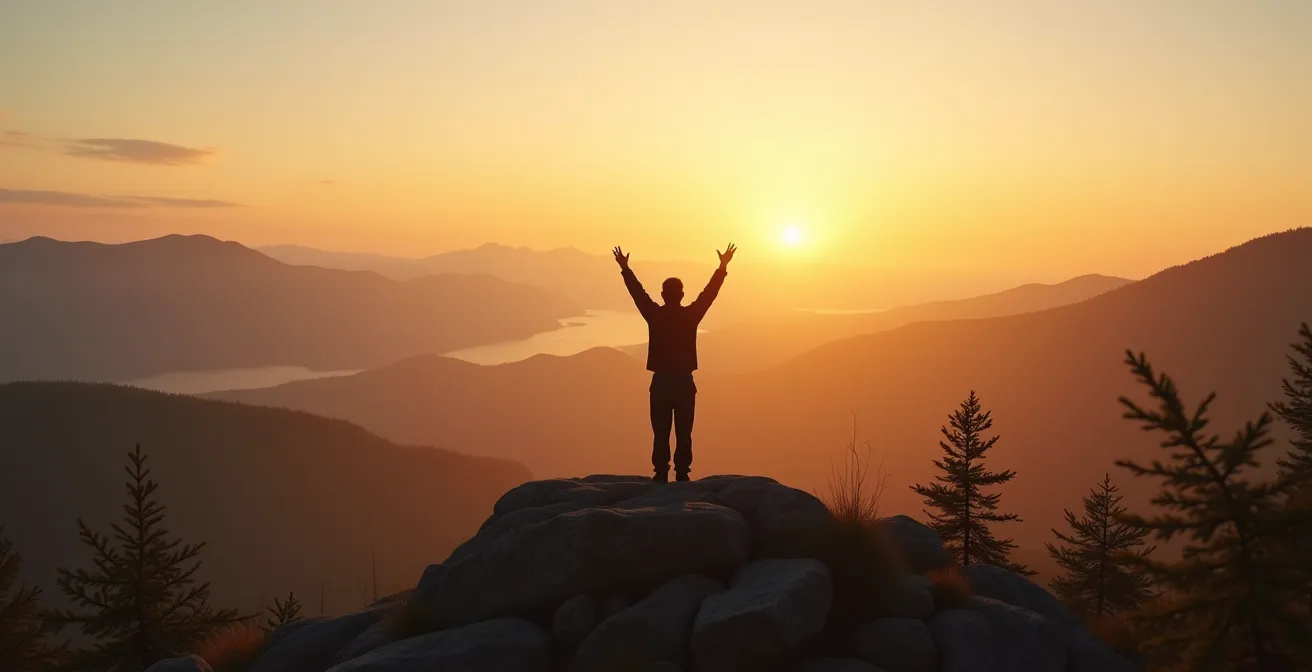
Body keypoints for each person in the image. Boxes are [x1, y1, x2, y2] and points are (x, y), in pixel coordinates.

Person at [613, 243, 736, 482]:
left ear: (662, 295)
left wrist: (625, 268)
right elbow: (709, 294)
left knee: (660, 432)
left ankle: (660, 473)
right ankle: (682, 475)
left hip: (660, 384)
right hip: (684, 384)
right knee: (684, 432)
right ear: (681, 295)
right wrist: (722, 267)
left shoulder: (654, 315)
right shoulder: (691, 316)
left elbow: (638, 294)